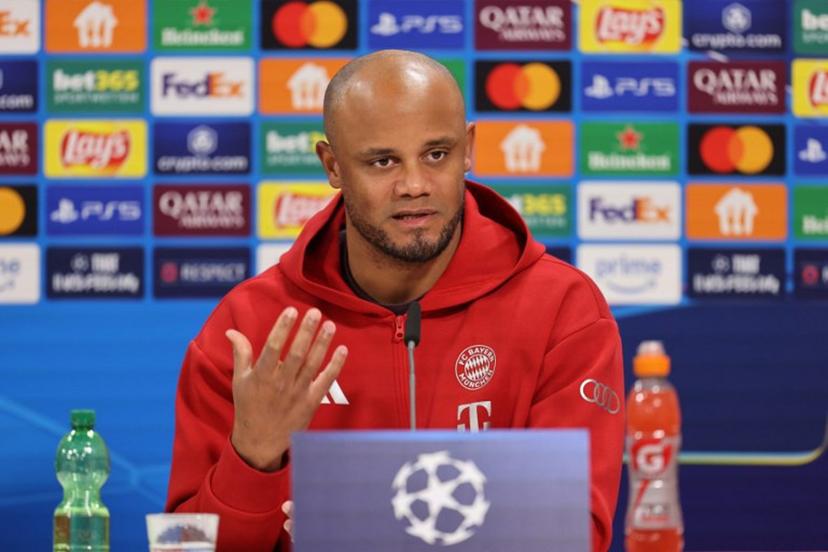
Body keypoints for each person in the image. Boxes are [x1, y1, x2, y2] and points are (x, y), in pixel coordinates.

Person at [166, 49, 625, 551]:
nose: (414, 186)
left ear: (468, 148)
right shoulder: (251, 326)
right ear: (333, 165)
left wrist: (371, 530)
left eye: (436, 154)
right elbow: (181, 545)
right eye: (383, 161)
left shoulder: (563, 309)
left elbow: (576, 534)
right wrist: (252, 457)